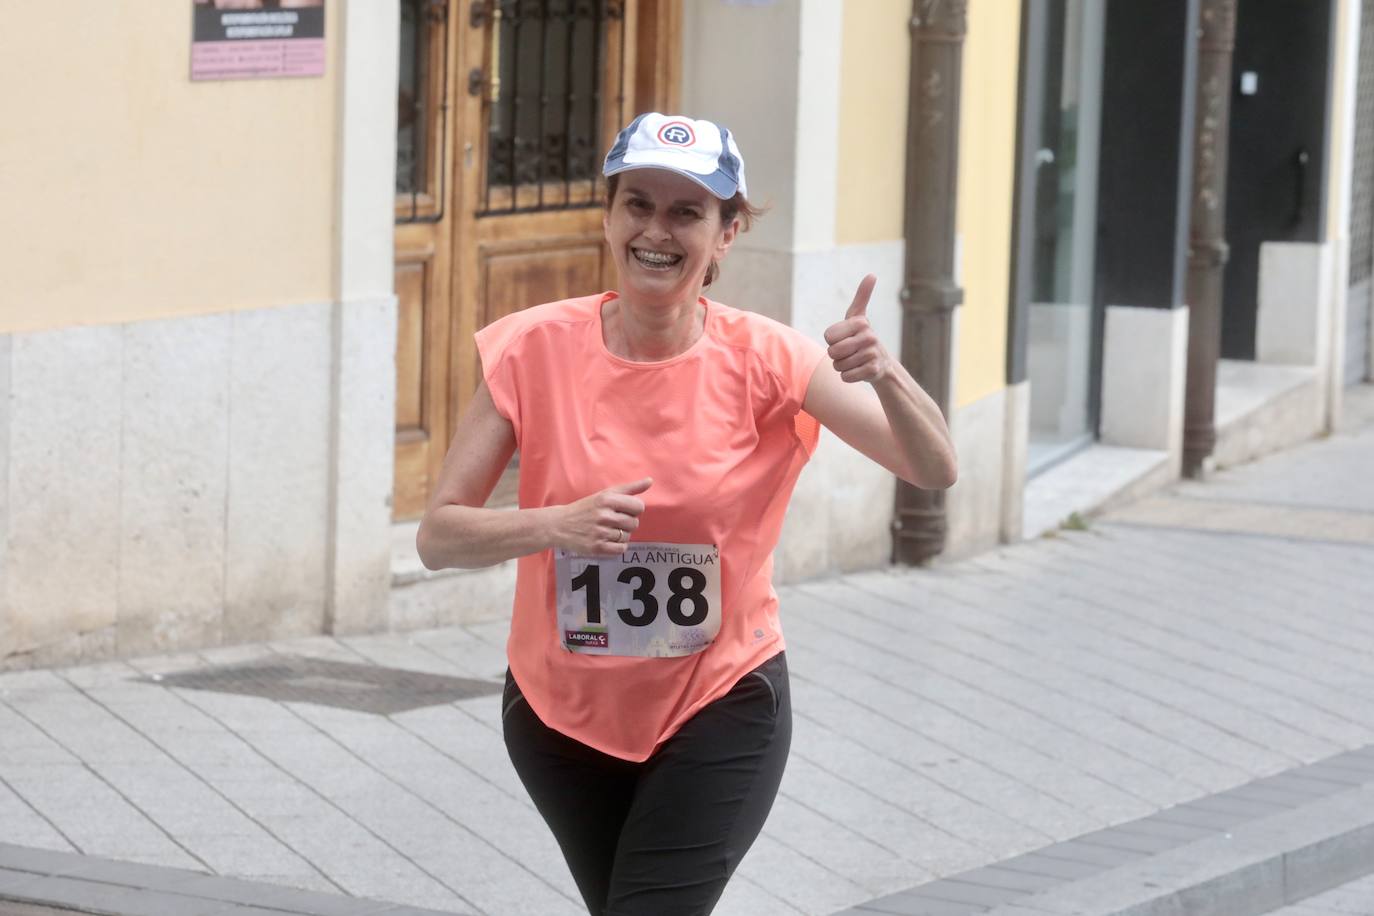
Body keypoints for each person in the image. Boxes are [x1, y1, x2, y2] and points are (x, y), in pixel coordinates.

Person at [416, 112, 957, 916]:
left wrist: (885, 374)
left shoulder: (772, 361)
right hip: (559, 718)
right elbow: (438, 536)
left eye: (687, 211)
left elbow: (933, 465)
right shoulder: (532, 348)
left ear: (726, 234)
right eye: (637, 203)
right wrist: (554, 524)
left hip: (721, 705)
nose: (656, 232)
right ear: (608, 217)